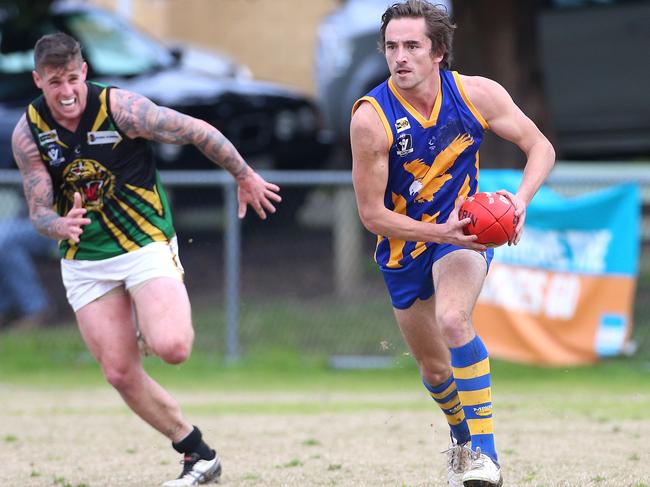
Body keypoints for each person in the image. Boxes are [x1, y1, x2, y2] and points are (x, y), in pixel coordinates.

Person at [11, 32, 281, 486]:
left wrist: (244, 174)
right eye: (55, 81)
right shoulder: (30, 132)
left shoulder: (121, 109)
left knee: (173, 348)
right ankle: (197, 454)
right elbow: (38, 210)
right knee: (119, 372)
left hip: (143, 243)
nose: (67, 91)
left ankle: (148, 317)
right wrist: (58, 225)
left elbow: (196, 130)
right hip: (85, 260)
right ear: (39, 80)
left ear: (85, 74)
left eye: (73, 78)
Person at [350, 1, 555, 486]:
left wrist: (520, 201)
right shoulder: (370, 119)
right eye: (392, 47)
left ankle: (486, 456)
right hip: (404, 247)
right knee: (435, 368)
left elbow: (540, 146)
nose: (400, 57)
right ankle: (462, 439)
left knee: (452, 319)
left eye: (412, 46)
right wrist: (434, 232)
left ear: (438, 51)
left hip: (461, 237)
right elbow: (372, 215)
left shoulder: (476, 94)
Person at [0, 199, 57, 329]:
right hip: (23, 220)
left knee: (4, 242)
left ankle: (37, 308)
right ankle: (3, 309)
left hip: (55, 222)